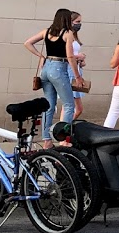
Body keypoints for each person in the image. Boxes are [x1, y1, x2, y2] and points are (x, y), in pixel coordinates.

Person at [24, 8, 84, 147]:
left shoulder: (47, 31)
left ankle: (47, 140)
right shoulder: (67, 33)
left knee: (49, 106)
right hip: (59, 68)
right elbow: (70, 56)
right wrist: (77, 76)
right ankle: (64, 139)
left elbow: (27, 43)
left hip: (46, 68)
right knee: (69, 105)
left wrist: (41, 56)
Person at [65, 11, 86, 120]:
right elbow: (66, 55)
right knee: (72, 107)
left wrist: (80, 61)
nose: (79, 24)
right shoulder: (67, 36)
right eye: (77, 21)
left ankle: (65, 129)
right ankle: (63, 130)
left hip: (76, 71)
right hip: (70, 73)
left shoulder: (73, 36)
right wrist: (78, 57)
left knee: (74, 108)